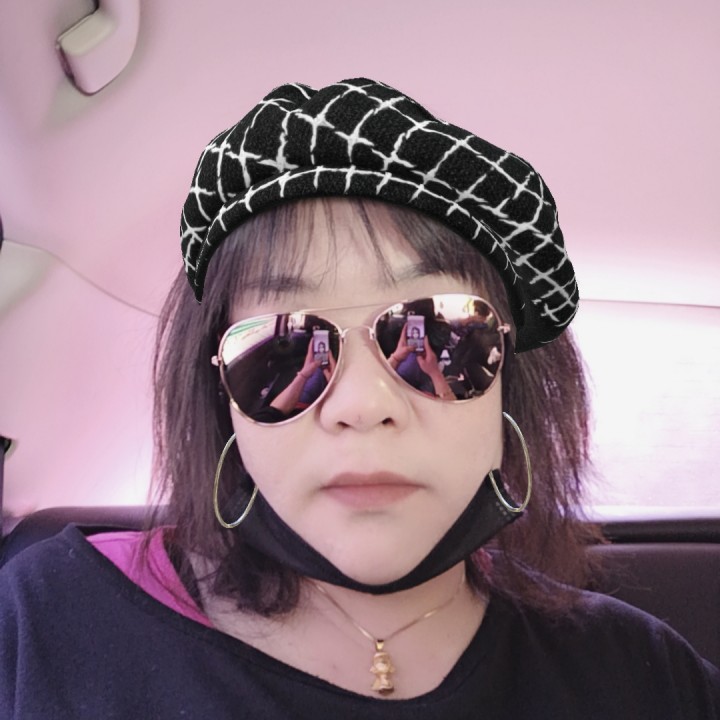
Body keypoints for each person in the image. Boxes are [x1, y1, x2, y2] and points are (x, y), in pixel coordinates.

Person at [1, 78, 718, 718]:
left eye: (439, 335)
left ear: (511, 389)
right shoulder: (40, 626)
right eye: (281, 348)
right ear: (218, 394)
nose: (362, 404)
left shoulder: (642, 677)